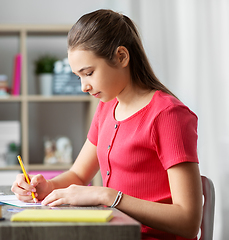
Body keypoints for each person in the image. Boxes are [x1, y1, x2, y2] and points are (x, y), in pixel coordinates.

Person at [11, 9, 202, 240]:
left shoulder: (168, 115)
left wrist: (108, 196)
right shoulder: (106, 108)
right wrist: (47, 187)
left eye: (89, 73)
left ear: (122, 56)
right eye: (78, 76)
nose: (84, 86)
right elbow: (79, 175)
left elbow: (189, 222)